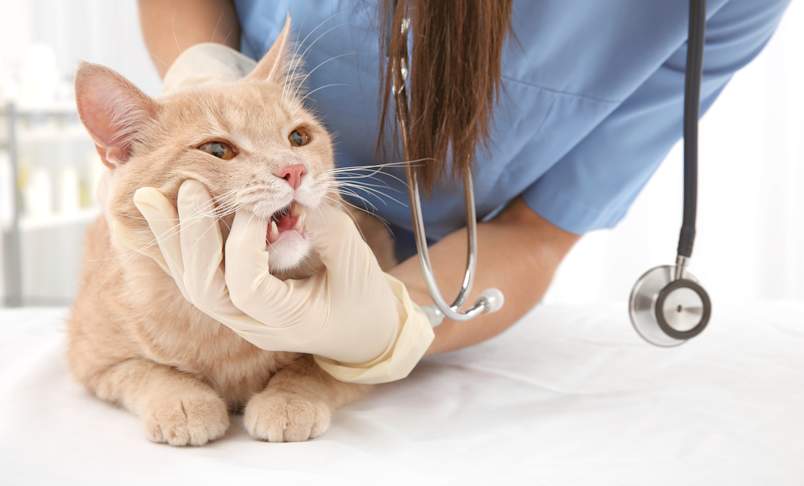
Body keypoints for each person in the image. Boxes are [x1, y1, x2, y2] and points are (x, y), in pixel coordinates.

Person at [133, 0, 789, 382]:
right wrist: (202, 76)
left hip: (438, 267)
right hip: (229, 200)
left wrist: (394, 324)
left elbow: (540, 233)